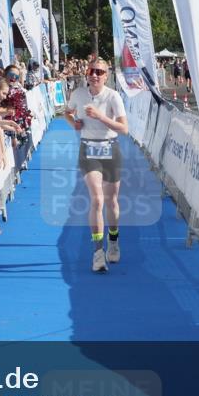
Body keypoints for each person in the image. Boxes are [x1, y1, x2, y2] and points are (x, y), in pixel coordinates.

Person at [64, 58, 128, 274]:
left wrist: (101, 116)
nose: (94, 75)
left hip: (110, 148)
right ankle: (98, 252)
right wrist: (74, 123)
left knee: (111, 201)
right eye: (92, 71)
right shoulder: (78, 94)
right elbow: (67, 112)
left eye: (99, 72)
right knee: (97, 200)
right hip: (88, 149)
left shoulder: (113, 96)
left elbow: (124, 129)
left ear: (106, 76)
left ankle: (113, 240)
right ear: (86, 73)